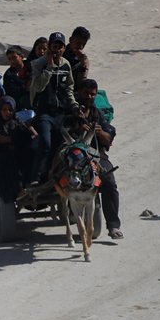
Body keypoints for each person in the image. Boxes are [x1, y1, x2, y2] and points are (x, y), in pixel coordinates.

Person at [75, 78, 123, 239]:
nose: (89, 97)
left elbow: (108, 139)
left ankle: (114, 226)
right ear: (78, 94)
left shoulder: (98, 114)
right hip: (72, 155)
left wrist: (99, 132)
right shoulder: (71, 111)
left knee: (109, 181)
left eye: (92, 94)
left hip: (95, 155)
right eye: (86, 94)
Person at [28, 31, 78, 184]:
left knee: (67, 145)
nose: (57, 50)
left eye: (60, 47)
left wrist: (74, 104)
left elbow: (69, 87)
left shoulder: (66, 64)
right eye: (54, 46)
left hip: (61, 113)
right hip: (45, 113)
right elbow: (38, 87)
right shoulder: (38, 64)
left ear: (64, 48)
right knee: (45, 143)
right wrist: (49, 67)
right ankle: (36, 178)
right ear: (49, 47)